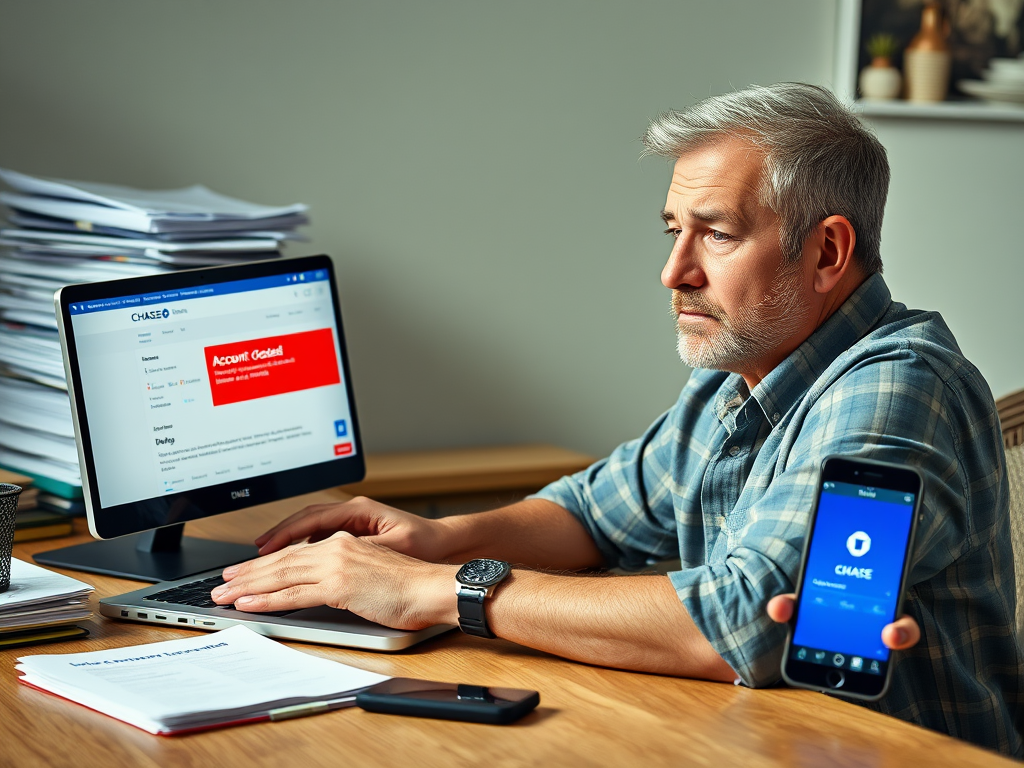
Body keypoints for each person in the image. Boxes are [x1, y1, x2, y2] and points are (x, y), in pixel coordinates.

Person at [211, 83, 1021, 755]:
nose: (675, 271)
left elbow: (737, 626)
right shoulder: (741, 374)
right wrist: (441, 537)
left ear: (827, 252)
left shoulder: (897, 390)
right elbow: (591, 514)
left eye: (717, 234)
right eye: (675, 231)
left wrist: (435, 590)